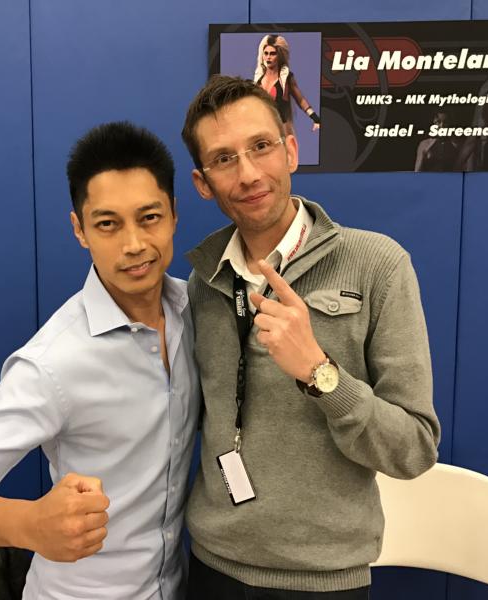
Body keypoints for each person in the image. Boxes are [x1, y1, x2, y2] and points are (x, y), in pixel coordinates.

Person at [180, 75, 440, 598]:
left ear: (291, 150)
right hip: (212, 566)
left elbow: (413, 449)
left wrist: (322, 374)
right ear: (203, 183)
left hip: (326, 580)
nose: (249, 173)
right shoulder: (204, 282)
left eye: (261, 146)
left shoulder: (378, 265)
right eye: (224, 159)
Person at [0, 122, 201, 600]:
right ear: (79, 230)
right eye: (108, 224)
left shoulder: (196, 311)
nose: (134, 243)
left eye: (149, 217)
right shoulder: (53, 361)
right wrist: (28, 523)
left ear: (173, 214)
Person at [254, 34, 321, 139]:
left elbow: (301, 100)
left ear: (279, 56)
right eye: (266, 53)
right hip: (262, 131)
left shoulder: (286, 78)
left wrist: (315, 118)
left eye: (272, 54)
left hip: (282, 132)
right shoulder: (258, 80)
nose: (268, 57)